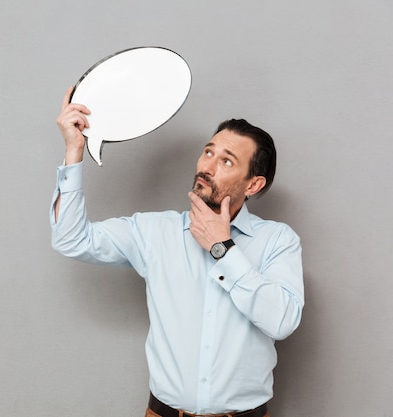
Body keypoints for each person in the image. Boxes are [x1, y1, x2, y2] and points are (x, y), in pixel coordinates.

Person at [50, 86, 304, 417]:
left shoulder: (278, 241)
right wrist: (73, 151)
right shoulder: (154, 232)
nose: (208, 167)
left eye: (226, 160)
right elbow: (70, 238)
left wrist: (222, 248)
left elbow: (283, 321)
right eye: (208, 152)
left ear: (253, 185)